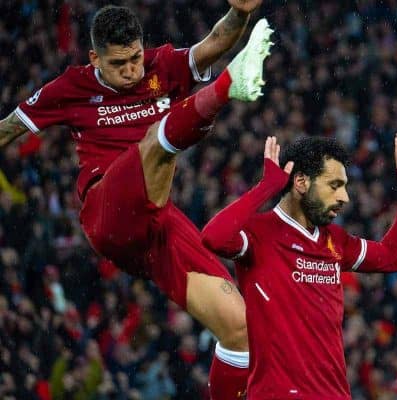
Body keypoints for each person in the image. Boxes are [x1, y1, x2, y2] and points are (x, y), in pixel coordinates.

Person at [0, 2, 272, 398]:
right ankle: (227, 88)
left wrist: (241, 15)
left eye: (135, 58)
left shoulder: (161, 66)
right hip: (106, 212)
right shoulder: (70, 87)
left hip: (156, 223)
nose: (131, 70)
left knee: (242, 327)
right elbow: (8, 128)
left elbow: (215, 40)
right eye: (119, 63)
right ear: (95, 59)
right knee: (154, 145)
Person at [201, 134, 397, 399]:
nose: (344, 197)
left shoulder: (336, 241)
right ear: (301, 182)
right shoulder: (260, 233)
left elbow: (392, 256)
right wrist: (266, 187)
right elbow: (213, 237)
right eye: (334, 185)